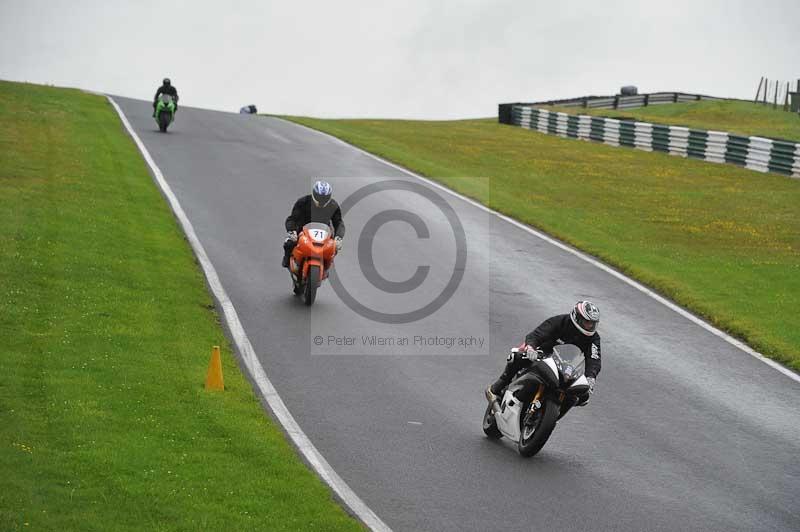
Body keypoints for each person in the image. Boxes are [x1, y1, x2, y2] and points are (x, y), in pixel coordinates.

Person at [486, 301, 602, 406]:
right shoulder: (560, 321)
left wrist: (591, 377)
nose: (589, 326)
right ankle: (498, 386)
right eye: (586, 322)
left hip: (568, 366)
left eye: (592, 323)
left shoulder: (593, 338)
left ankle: (555, 413)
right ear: (577, 317)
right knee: (517, 357)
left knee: (582, 396)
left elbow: (594, 359)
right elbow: (537, 334)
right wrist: (531, 348)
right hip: (544, 354)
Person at [282, 180, 345, 268]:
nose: (321, 200)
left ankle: (327, 266)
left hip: (324, 234)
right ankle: (287, 260)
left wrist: (339, 237)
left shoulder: (333, 206)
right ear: (314, 194)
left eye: (325, 197)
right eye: (319, 197)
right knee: (289, 243)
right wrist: (292, 230)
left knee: (335, 248)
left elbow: (339, 222)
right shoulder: (303, 202)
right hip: (302, 231)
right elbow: (292, 218)